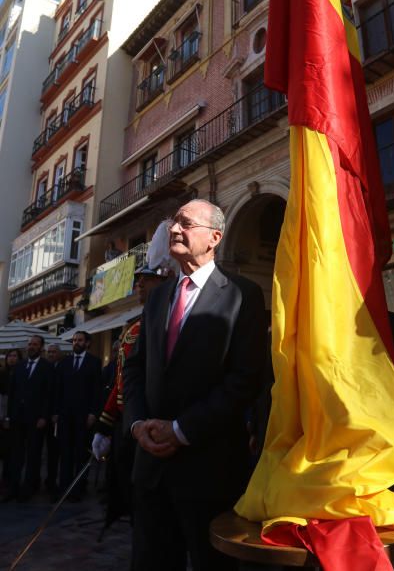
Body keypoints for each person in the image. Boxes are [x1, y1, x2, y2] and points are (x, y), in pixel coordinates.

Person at [123, 199, 267, 571]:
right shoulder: (157, 298)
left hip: (210, 470)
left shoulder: (242, 295)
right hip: (151, 469)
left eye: (185, 223)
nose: (174, 229)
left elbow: (245, 379)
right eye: (174, 222)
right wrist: (138, 425)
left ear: (214, 237)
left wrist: (182, 430)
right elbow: (136, 368)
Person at [93, 257, 173, 526]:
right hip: (128, 420)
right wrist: (105, 424)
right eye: (138, 280)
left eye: (146, 279)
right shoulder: (136, 326)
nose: (139, 285)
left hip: (150, 421)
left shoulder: (162, 323)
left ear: (163, 281)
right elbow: (123, 381)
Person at [54, 330, 102, 499]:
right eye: (74, 340)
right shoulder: (64, 363)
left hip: (84, 416)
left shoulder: (94, 363)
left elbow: (97, 391)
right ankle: (64, 487)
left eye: (80, 340)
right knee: (65, 452)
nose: (76, 343)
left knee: (81, 453)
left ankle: (79, 488)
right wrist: (56, 413)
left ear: (87, 343)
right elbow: (57, 390)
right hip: (65, 416)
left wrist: (93, 413)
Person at [3, 335, 52, 502]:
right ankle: (13, 488)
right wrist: (9, 416)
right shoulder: (20, 366)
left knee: (33, 454)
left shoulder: (47, 367)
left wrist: (44, 416)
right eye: (30, 344)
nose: (31, 346)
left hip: (35, 418)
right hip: (17, 417)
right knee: (16, 455)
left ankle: (28, 488)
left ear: (41, 347)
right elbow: (12, 393)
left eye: (35, 344)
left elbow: (48, 395)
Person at [0, 349, 23, 493]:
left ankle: (11, 480)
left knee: (12, 452)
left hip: (17, 418)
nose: (12, 359)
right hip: (2, 417)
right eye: (10, 356)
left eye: (15, 356)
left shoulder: (22, 373)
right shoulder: (2, 374)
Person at [45, 343, 62, 497]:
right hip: (41, 416)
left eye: (53, 352)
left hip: (56, 418)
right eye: (49, 352)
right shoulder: (43, 367)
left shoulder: (62, 369)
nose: (50, 354)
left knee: (53, 453)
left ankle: (52, 482)